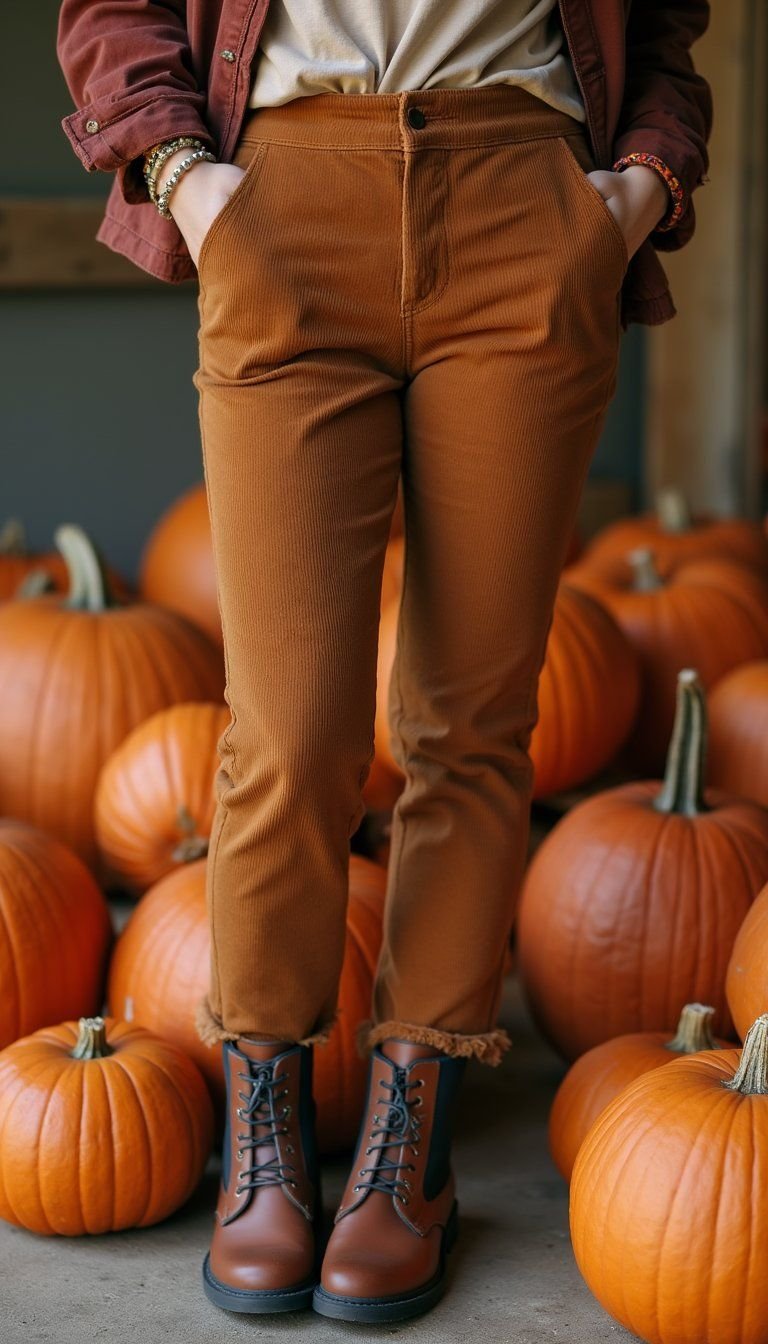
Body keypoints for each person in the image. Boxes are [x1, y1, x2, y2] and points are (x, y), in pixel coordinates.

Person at [57, 0, 712, 1324]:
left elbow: (665, 29)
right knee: (288, 732)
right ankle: (267, 1138)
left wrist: (635, 189)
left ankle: (408, 1153)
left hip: (524, 201)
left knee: (470, 725)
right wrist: (189, 181)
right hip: (283, 202)